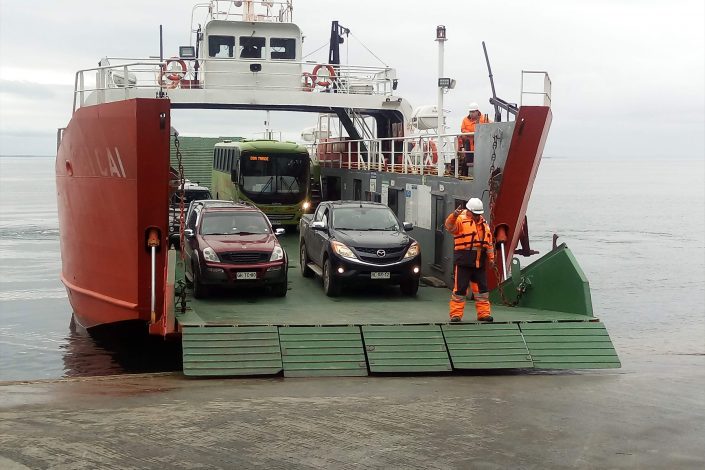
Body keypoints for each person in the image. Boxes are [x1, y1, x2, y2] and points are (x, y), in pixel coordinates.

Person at [445, 197, 496, 322]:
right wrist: (454, 215)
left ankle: (484, 314)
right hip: (464, 261)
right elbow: (449, 226)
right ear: (469, 211)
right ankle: (456, 315)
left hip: (479, 262)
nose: (477, 216)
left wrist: (491, 258)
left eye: (479, 214)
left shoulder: (484, 224)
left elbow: (488, 244)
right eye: (475, 214)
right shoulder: (460, 221)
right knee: (460, 289)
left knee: (482, 290)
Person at [458, 102, 491, 175]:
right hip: (469, 142)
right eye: (470, 112)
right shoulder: (465, 120)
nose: (471, 113)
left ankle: (481, 174)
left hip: (481, 143)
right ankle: (467, 174)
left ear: (477, 111)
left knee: (481, 159)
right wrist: (471, 133)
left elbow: (491, 127)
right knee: (468, 159)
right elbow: (462, 129)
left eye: (473, 112)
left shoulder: (484, 119)